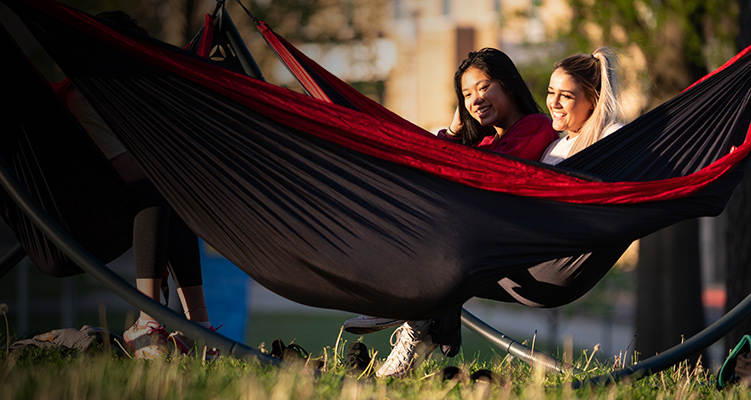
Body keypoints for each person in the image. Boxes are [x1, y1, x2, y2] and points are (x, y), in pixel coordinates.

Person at [345, 48, 559, 378]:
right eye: (467, 94)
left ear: (509, 85)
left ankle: (397, 304)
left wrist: (455, 149)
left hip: (511, 241)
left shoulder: (536, 126)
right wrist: (455, 131)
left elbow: (489, 175)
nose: (475, 100)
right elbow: (449, 166)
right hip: (470, 235)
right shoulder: (487, 142)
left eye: (484, 87)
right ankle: (415, 323)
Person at [63, 11, 217, 360]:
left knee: (169, 195)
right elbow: (128, 170)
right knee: (161, 187)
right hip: (92, 211)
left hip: (134, 200)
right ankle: (149, 320)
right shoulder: (86, 96)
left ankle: (199, 329)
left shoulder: (121, 98)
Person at [540, 47, 622, 165]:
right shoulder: (552, 150)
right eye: (551, 92)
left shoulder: (612, 136)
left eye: (566, 96)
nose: (554, 103)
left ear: (593, 101)